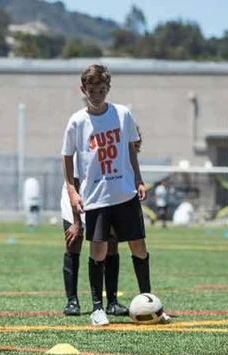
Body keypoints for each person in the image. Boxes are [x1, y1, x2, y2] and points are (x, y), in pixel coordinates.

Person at [62, 64, 168, 326]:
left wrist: (139, 178)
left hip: (125, 193)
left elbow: (131, 150)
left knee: (139, 248)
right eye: (91, 89)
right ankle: (98, 308)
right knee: (97, 251)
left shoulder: (123, 114)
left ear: (108, 88)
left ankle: (149, 301)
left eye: (101, 89)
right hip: (95, 197)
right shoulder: (77, 121)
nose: (96, 94)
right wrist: (72, 191)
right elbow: (67, 156)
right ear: (83, 89)